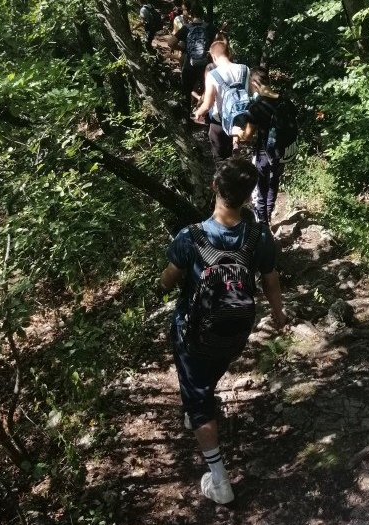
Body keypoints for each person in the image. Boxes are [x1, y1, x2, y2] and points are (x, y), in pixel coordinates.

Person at [159, 158, 287, 504]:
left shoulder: (190, 237)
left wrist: (165, 281)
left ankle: (219, 480)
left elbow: (168, 279)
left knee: (199, 401)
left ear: (214, 187)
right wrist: (278, 314)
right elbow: (270, 280)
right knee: (209, 373)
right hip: (236, 331)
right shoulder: (260, 236)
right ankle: (198, 402)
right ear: (248, 196)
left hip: (193, 332)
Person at [192, 40, 250, 165]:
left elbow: (207, 104)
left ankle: (223, 175)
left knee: (220, 160)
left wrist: (198, 113)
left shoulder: (213, 75)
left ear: (213, 56)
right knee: (234, 160)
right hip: (240, 121)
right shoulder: (245, 69)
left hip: (220, 123)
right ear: (229, 53)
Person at [245, 67, 285, 225]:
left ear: (255, 83)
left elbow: (247, 135)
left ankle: (262, 222)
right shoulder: (284, 100)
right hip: (282, 151)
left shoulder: (257, 107)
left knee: (260, 186)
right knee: (274, 181)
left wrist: (237, 133)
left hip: (264, 153)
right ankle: (269, 212)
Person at [167, 1, 217, 115]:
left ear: (191, 14)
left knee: (186, 91)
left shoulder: (186, 28)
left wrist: (183, 49)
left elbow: (170, 42)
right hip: (206, 66)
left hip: (189, 64)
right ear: (203, 14)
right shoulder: (210, 27)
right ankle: (207, 117)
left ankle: (186, 118)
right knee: (208, 90)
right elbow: (220, 42)